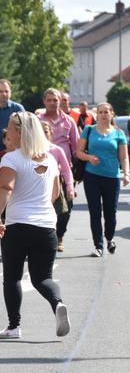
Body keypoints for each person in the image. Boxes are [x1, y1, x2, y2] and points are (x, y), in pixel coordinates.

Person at [0, 112, 70, 339]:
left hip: (18, 225)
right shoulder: (49, 159)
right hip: (47, 226)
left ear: (19, 132)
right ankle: (57, 303)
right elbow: (55, 194)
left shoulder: (11, 159)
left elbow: (6, 189)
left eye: (9, 127)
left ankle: (14, 326)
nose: (7, 131)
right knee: (43, 278)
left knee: (12, 277)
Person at [75, 103, 130, 257]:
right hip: (92, 176)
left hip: (112, 177)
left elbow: (124, 157)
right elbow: (78, 152)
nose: (104, 115)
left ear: (112, 114)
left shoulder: (119, 133)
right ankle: (98, 245)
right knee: (95, 212)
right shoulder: (89, 130)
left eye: (107, 112)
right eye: (101, 112)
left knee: (110, 213)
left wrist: (126, 174)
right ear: (97, 115)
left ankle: (110, 238)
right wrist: (89, 157)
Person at [41, 123, 75, 253]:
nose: (43, 134)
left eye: (46, 132)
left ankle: (59, 235)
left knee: (64, 213)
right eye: (40, 132)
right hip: (39, 186)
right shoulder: (31, 150)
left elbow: (66, 171)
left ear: (51, 134)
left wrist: (70, 188)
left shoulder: (56, 150)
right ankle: (46, 242)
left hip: (57, 185)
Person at [0, 79, 25, 157]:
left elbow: (25, 130)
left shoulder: (18, 109)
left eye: (6, 91)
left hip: (14, 153)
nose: (4, 94)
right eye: (0, 91)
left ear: (11, 92)